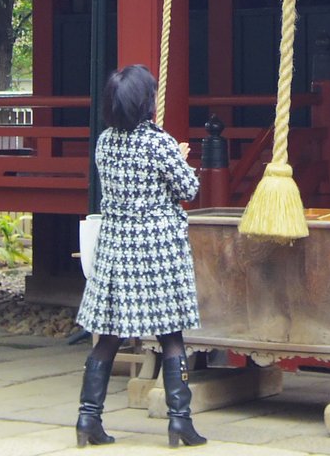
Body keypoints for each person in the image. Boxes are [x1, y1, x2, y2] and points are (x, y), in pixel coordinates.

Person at [75, 63, 206, 448]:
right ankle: (180, 421)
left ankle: (88, 417)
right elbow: (189, 188)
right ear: (146, 102)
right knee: (171, 334)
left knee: (109, 335)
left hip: (117, 245)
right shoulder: (158, 142)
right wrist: (179, 156)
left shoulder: (104, 142)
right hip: (158, 247)